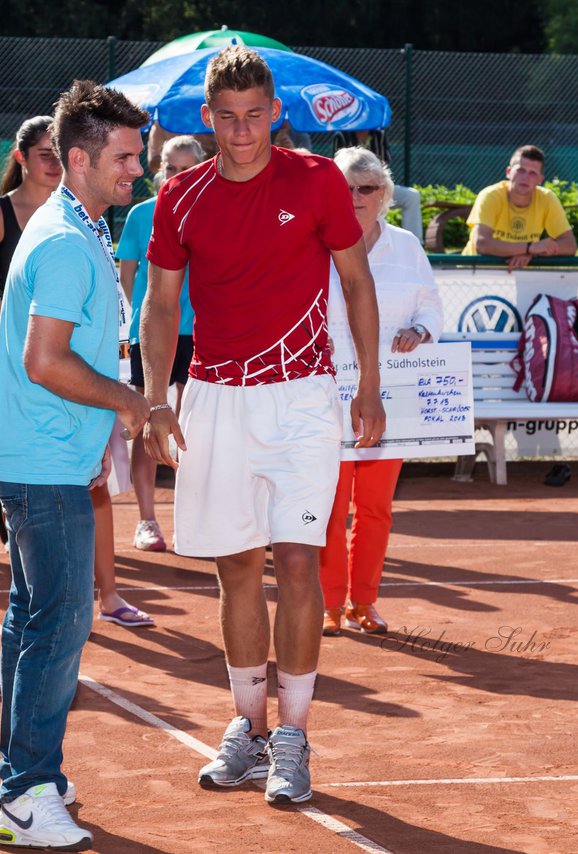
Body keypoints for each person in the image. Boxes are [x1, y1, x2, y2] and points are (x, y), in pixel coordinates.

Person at [141, 46, 385, 805]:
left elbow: (356, 280)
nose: (242, 132)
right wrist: (155, 395)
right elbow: (158, 304)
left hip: (303, 399)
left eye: (255, 116)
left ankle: (294, 738)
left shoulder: (314, 181)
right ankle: (247, 728)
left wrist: (369, 384)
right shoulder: (178, 197)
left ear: (275, 113)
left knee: (299, 563)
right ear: (207, 118)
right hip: (212, 398)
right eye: (227, 118)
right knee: (235, 567)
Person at [0, 81, 149, 850]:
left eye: (138, 156)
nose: (136, 171)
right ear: (77, 158)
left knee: (33, 616)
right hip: (42, 461)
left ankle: (29, 775)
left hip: (46, 455)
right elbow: (44, 361)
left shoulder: (75, 228)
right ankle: (23, 793)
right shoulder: (60, 241)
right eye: (123, 157)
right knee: (62, 621)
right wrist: (129, 400)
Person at [319, 147, 443, 638]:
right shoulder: (315, 242)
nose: (354, 197)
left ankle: (363, 602)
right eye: (345, 187)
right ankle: (329, 604)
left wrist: (420, 331)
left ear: (384, 195)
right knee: (330, 506)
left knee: (375, 508)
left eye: (365, 188)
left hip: (394, 397)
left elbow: (432, 308)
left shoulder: (408, 246)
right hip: (327, 392)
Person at [0, 115, 61, 545]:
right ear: (21, 157)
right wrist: (22, 311)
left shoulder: (78, 211)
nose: (55, 163)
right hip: (10, 356)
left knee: (63, 453)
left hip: (69, 355)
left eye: (60, 153)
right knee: (16, 455)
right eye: (45, 154)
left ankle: (57, 540)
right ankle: (16, 545)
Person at [116, 134, 203, 553]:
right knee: (147, 421)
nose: (178, 176)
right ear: (158, 172)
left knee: (195, 427)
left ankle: (196, 519)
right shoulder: (140, 215)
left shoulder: (214, 211)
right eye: (171, 168)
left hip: (202, 333)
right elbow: (127, 275)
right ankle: (147, 520)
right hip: (149, 335)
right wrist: (141, 322)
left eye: (187, 169)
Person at [462, 144, 576, 270]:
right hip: (475, 273)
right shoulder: (490, 196)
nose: (525, 177)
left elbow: (570, 245)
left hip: (519, 276)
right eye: (520, 170)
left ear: (540, 179)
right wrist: (529, 248)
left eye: (532, 173)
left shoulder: (547, 199)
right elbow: (482, 243)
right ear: (508, 172)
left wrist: (531, 253)